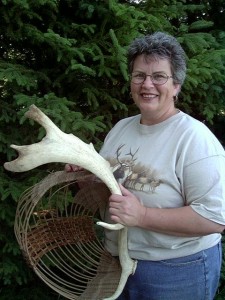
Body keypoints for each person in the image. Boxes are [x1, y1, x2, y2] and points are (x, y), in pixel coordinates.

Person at [66, 32, 225, 300]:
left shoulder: (194, 139)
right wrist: (84, 176)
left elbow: (215, 218)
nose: (147, 84)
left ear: (176, 85)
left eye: (159, 76)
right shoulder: (121, 129)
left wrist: (142, 216)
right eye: (139, 75)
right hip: (116, 263)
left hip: (176, 270)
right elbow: (108, 196)